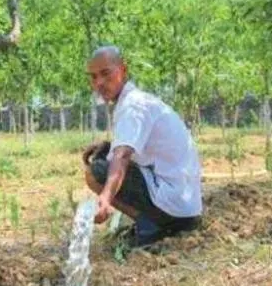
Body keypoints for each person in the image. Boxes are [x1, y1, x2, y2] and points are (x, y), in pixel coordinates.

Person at [82, 45, 203, 247]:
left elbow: (121, 156)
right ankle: (154, 221)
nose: (99, 83)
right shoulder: (135, 101)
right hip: (185, 204)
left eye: (105, 73)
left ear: (123, 70)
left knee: (96, 172)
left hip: (176, 207)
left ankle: (152, 226)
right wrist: (107, 146)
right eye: (93, 77)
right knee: (104, 157)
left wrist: (105, 197)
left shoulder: (133, 106)